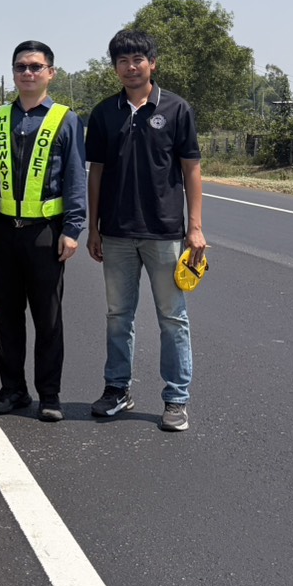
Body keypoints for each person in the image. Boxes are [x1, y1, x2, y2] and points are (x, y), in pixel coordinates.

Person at [85, 30, 205, 433]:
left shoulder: (176, 108)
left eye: (138, 59)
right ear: (115, 67)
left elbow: (191, 169)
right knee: (118, 316)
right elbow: (96, 172)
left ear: (152, 63)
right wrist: (94, 228)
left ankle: (176, 398)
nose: (130, 67)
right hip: (116, 232)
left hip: (165, 233)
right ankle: (117, 389)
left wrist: (195, 228)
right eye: (122, 60)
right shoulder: (104, 113)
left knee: (172, 317)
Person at [0, 42, 87, 423]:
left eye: (35, 67)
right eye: (21, 67)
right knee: (7, 317)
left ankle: (49, 394)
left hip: (45, 232)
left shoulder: (65, 119)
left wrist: (72, 228)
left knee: (48, 318)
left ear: (50, 73)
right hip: (3, 232)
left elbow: (75, 176)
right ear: (13, 73)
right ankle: (13, 388)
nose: (28, 73)